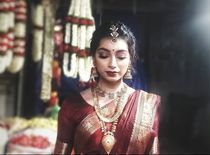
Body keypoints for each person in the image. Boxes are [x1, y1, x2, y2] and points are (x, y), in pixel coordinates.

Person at [54, 21, 161, 154]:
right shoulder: (72, 106)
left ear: (130, 60)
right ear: (93, 59)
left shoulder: (147, 105)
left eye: (121, 57)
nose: (112, 64)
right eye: (104, 55)